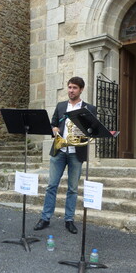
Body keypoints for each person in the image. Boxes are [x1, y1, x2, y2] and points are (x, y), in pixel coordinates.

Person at [34, 76, 97, 234]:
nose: (71, 90)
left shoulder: (89, 108)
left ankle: (69, 220)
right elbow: (53, 123)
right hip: (60, 150)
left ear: (81, 89)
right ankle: (45, 217)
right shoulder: (61, 106)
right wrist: (54, 129)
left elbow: (93, 129)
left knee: (73, 189)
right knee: (51, 186)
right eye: (69, 87)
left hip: (77, 152)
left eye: (75, 88)